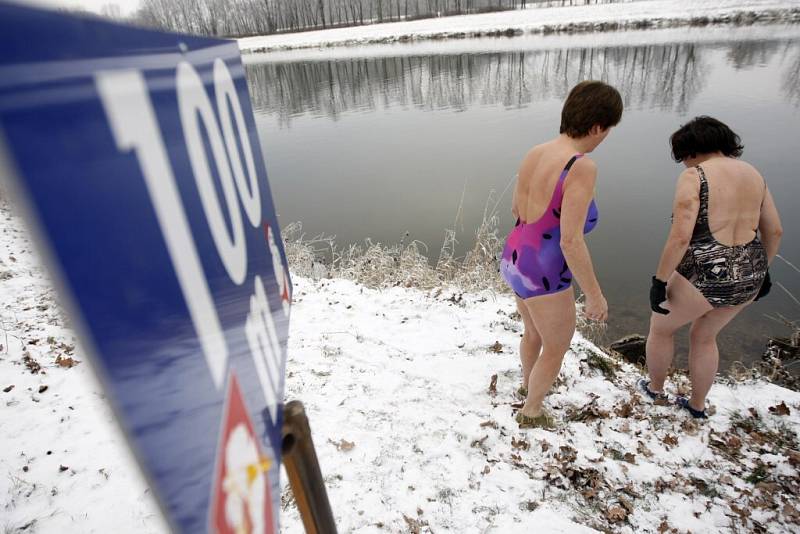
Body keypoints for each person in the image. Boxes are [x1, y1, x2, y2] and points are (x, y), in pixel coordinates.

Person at [641, 116, 783, 418]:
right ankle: (697, 405)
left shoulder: (695, 176)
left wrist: (660, 281)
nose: (683, 164)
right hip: (750, 272)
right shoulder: (754, 175)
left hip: (706, 273)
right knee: (705, 336)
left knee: (661, 328)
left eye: (682, 157)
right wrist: (764, 272)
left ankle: (654, 389)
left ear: (690, 150)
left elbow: (680, 236)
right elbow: (775, 231)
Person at [500, 80, 623, 429]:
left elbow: (516, 208)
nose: (606, 136)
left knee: (533, 333)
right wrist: (595, 297)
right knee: (556, 345)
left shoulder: (536, 152)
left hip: (515, 257)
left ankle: (528, 385)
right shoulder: (580, 166)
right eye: (609, 129)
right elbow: (570, 241)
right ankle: (532, 411)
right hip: (545, 269)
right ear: (598, 126)